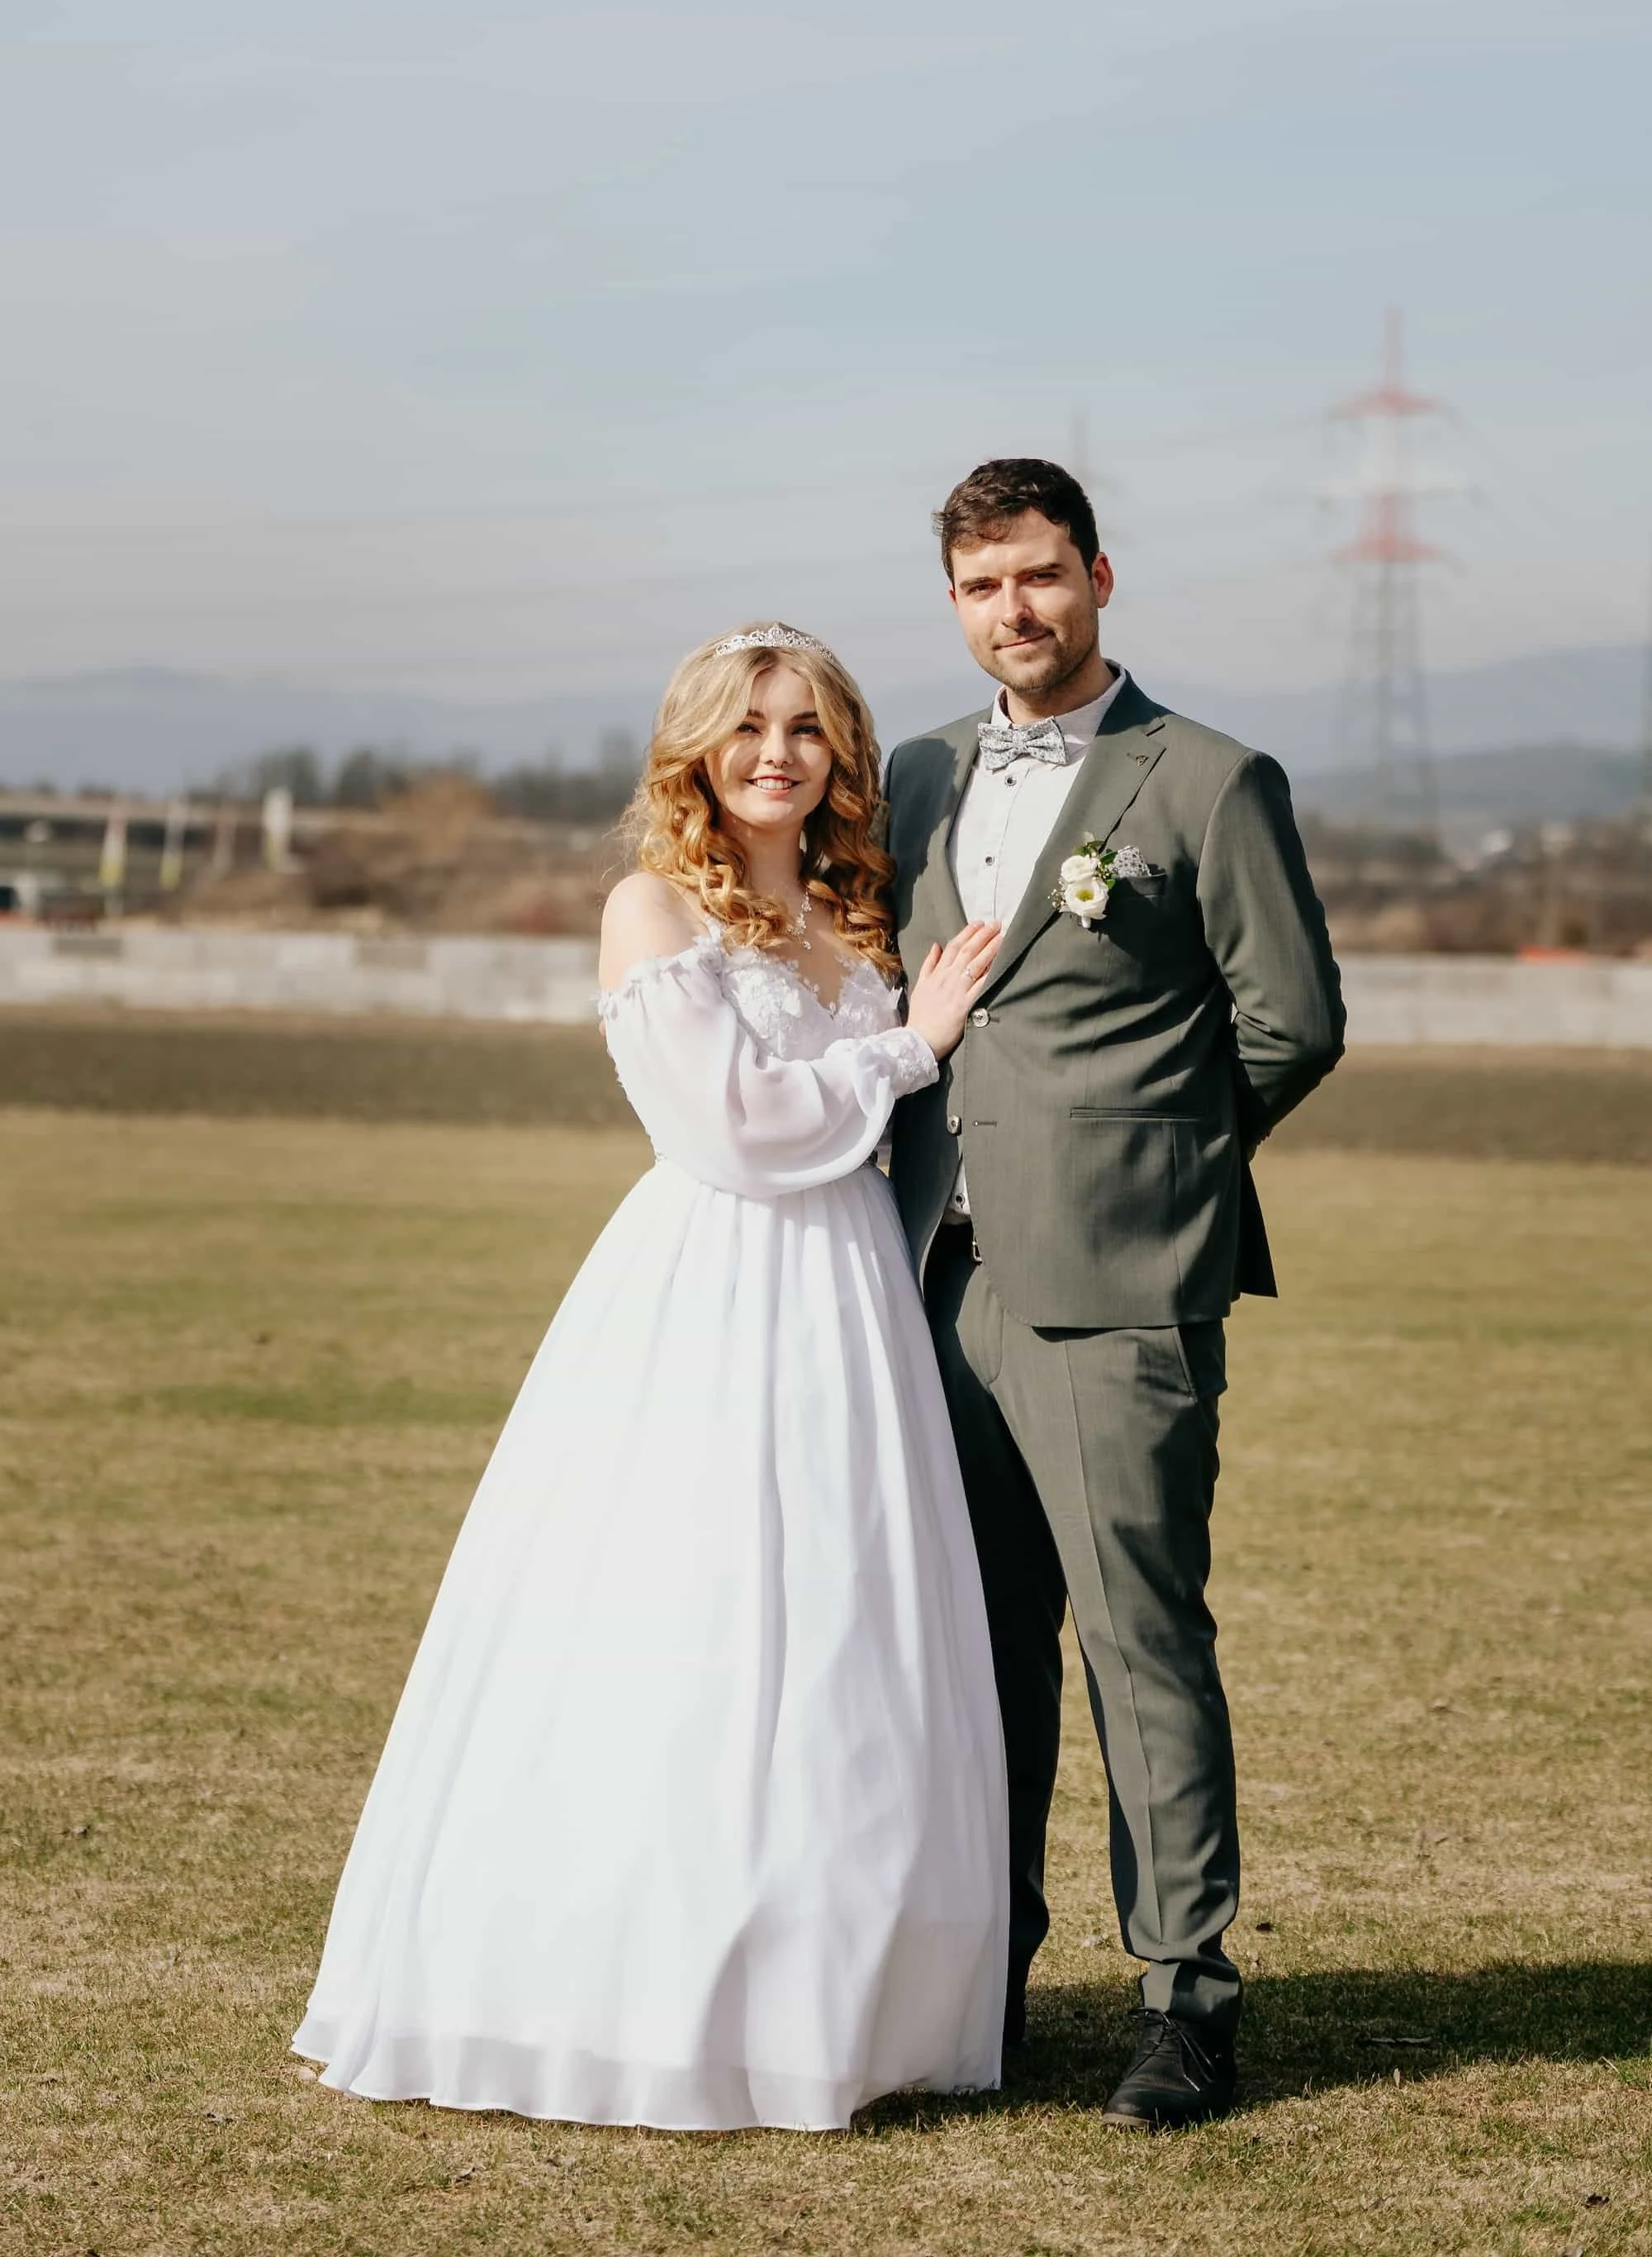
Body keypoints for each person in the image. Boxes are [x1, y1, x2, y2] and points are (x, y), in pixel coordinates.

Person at [293, 624, 1011, 2132]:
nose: (777, 754)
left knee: (843, 1613)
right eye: (748, 726)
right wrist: (912, 1048)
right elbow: (730, 1129)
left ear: (841, 754)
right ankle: (637, 1994)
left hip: (851, 1289)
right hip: (715, 1282)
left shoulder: (853, 909)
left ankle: (832, 1998)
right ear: (695, 746)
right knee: (693, 1606)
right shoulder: (652, 907)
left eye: (806, 729)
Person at [885, 459, 1346, 2131]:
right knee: (974, 1650)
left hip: (1119, 1283)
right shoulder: (914, 772)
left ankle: (1185, 2001)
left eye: (1038, 574)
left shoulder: (1211, 780)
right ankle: (984, 1982)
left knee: (1140, 1644)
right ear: (954, 604)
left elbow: (1291, 1023)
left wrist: (1150, 1174)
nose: (1012, 609)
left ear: (1095, 574)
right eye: (980, 585)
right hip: (926, 1279)